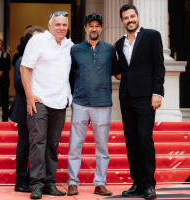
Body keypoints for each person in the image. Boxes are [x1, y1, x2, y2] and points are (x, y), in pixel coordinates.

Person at [114, 5, 165, 199]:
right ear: (122, 21)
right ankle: (137, 182)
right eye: (126, 18)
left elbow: (158, 66)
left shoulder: (152, 35)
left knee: (144, 138)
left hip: (145, 96)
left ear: (138, 17)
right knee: (132, 140)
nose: (130, 20)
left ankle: (149, 184)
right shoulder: (119, 43)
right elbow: (122, 70)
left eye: (132, 16)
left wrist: (157, 93)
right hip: (126, 96)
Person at [20, 11, 73, 199]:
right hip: (39, 101)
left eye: (64, 25)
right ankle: (36, 184)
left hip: (60, 101)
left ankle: (50, 184)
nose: (61, 28)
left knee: (52, 144)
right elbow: (25, 67)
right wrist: (29, 95)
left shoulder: (69, 45)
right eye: (57, 24)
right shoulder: (38, 41)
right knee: (38, 142)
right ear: (49, 25)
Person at [67, 13, 120, 196]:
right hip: (80, 103)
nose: (94, 29)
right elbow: (68, 74)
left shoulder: (109, 50)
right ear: (85, 28)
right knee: (75, 145)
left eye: (97, 25)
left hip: (103, 103)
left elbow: (118, 73)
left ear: (101, 28)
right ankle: (73, 182)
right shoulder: (75, 49)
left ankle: (100, 183)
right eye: (91, 26)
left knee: (102, 147)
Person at [9, 26, 44, 193]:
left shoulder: (44, 60)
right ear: (28, 41)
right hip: (24, 109)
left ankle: (33, 178)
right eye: (35, 39)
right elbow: (17, 85)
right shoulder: (21, 60)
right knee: (24, 145)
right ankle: (20, 180)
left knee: (37, 146)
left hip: (40, 109)